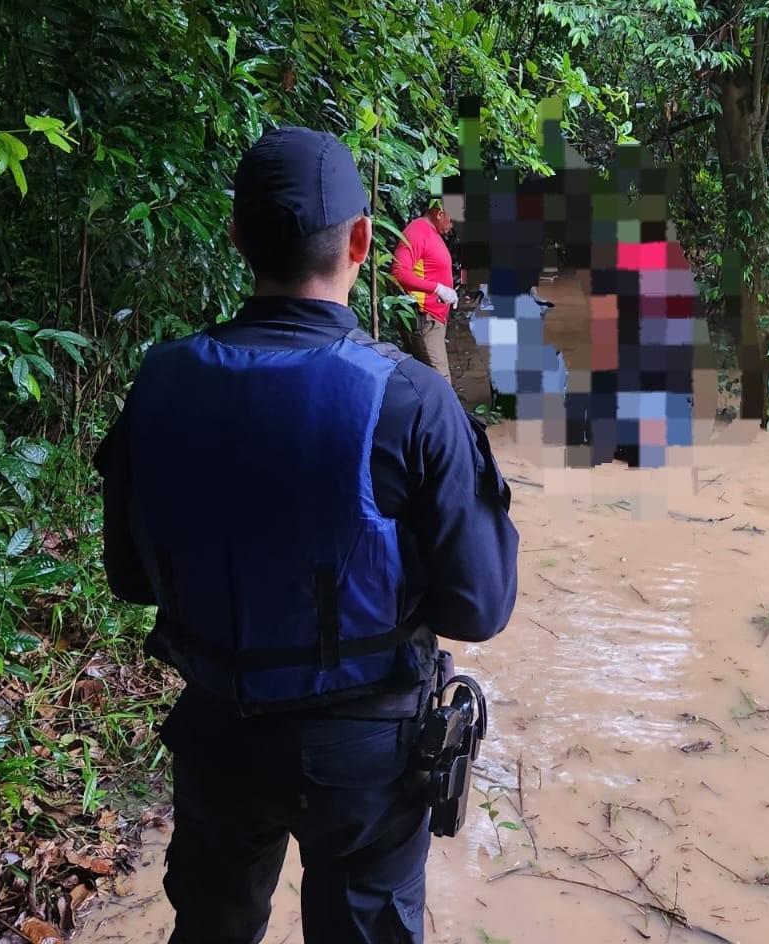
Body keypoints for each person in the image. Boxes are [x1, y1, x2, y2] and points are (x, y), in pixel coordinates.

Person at [93, 125, 520, 944]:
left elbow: (130, 576)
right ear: (362, 240)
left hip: (219, 731)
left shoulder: (162, 380)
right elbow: (479, 606)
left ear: (235, 236)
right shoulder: (412, 399)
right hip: (366, 755)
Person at [390, 198, 458, 381]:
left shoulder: (432, 232)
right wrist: (437, 289)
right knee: (441, 383)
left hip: (433, 319)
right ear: (440, 214)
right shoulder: (417, 232)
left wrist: (448, 293)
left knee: (426, 381)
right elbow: (398, 272)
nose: (452, 226)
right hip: (424, 318)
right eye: (452, 220)